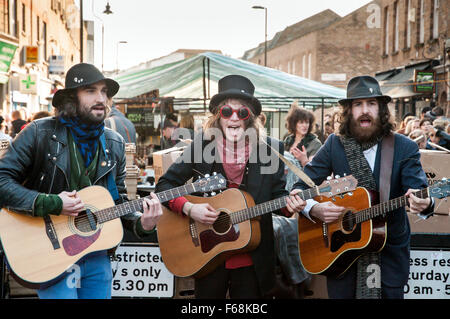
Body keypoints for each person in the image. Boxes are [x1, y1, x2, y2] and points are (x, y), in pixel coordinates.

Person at [0, 63, 162, 299]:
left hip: (97, 254)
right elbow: (2, 180)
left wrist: (143, 224)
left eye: (105, 91)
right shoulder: (39, 133)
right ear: (70, 99)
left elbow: (116, 202)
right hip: (49, 252)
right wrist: (52, 203)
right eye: (91, 91)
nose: (101, 98)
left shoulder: (114, 143)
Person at [155, 74, 305, 299]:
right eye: (227, 111)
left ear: (250, 118)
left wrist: (291, 204)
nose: (234, 118)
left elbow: (278, 197)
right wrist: (189, 208)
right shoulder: (202, 145)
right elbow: (164, 185)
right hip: (207, 253)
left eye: (242, 112)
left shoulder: (270, 150)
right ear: (218, 116)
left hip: (253, 258)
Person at [293, 75, 434, 299]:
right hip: (340, 256)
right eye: (358, 104)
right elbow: (301, 185)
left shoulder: (404, 147)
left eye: (371, 104)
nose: (365, 110)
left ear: (381, 109)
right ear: (348, 111)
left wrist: (425, 202)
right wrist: (313, 208)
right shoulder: (334, 144)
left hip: (388, 254)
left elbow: (418, 187)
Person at [283, 103, 322, 168]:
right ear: (293, 124)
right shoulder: (288, 140)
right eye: (301, 122)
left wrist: (304, 160)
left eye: (307, 122)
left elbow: (314, 169)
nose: (305, 125)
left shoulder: (315, 143)